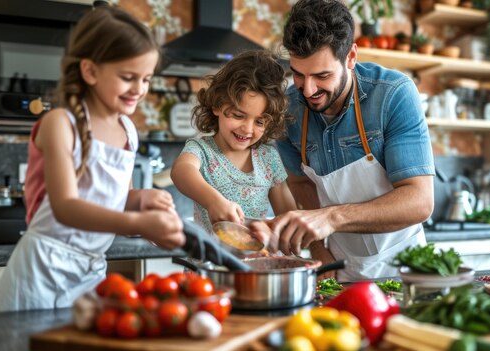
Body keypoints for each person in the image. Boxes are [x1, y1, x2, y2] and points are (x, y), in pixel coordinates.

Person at [0, 5, 185, 312]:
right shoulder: (60, 125)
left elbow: (118, 200)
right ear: (90, 71)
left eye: (146, 79)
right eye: (129, 77)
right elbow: (67, 208)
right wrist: (137, 220)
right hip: (40, 271)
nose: (139, 89)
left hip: (90, 272)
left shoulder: (128, 131)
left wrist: (142, 200)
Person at [260, 0, 435, 281]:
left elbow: (420, 201)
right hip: (338, 265)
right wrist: (319, 250)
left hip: (406, 264)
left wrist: (330, 218)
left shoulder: (393, 95)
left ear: (351, 57)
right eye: (298, 74)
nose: (308, 89)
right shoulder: (287, 111)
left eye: (322, 75)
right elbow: (301, 184)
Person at [171, 50, 296, 236]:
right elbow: (181, 171)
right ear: (217, 105)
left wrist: (278, 232)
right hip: (211, 262)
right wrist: (214, 201)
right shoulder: (202, 150)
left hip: (257, 262)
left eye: (259, 122)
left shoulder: (268, 158)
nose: (247, 129)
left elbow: (288, 216)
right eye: (238, 115)